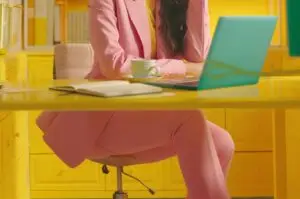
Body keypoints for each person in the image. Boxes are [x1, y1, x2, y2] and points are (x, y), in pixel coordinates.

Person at [36, 0, 235, 199]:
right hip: (103, 118)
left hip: (149, 111)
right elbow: (115, 66)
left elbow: (198, 57)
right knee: (189, 119)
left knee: (222, 143)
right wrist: (180, 68)